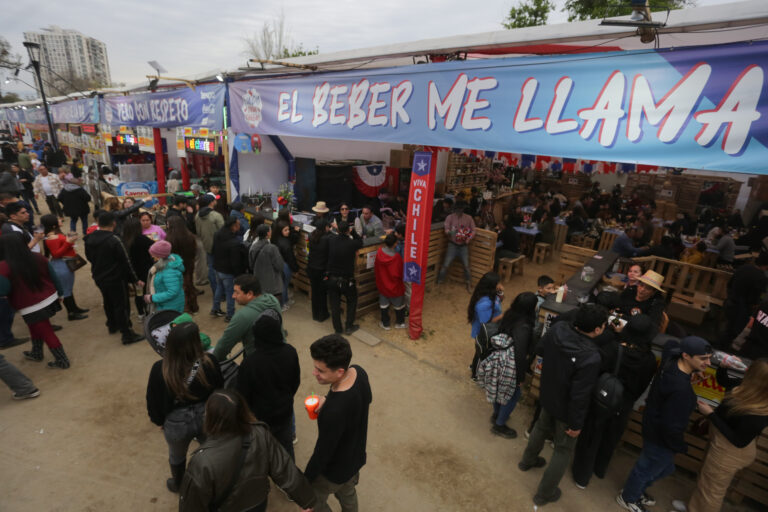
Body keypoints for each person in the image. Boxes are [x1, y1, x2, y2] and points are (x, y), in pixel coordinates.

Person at [518, 304, 607, 507]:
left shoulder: (558, 329)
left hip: (547, 393)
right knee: (562, 450)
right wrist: (576, 424)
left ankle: (527, 461)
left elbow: (540, 348)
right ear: (597, 329)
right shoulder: (591, 356)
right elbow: (580, 395)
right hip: (566, 410)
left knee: (540, 427)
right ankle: (544, 493)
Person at [616, 336, 712, 512]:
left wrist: (692, 370)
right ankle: (628, 497)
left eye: (708, 357)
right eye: (703, 358)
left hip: (652, 425)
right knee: (648, 469)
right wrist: (679, 446)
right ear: (686, 356)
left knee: (660, 467)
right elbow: (671, 425)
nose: (708, 362)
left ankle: (635, 491)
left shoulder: (670, 359)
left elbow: (670, 344)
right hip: (661, 438)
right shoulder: (681, 390)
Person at [179, 389, 316, 512]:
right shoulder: (260, 433)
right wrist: (307, 500)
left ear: (211, 418)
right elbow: (285, 470)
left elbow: (192, 503)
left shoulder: (202, 461)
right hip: (258, 502)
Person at [571, 314, 658, 489]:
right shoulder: (649, 360)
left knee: (591, 436)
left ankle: (582, 475)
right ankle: (599, 469)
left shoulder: (612, 348)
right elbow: (642, 386)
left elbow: (596, 371)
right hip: (624, 404)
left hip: (602, 400)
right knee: (610, 438)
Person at [676, 359, 768, 512]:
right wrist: (723, 368)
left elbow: (738, 441)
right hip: (721, 442)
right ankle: (692, 508)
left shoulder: (760, 413)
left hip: (731, 451)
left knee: (712, 492)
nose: (746, 373)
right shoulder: (745, 386)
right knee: (706, 480)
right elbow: (725, 381)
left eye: (750, 372)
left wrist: (711, 415)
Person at [145, 322, 223, 493]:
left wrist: (158, 420)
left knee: (177, 455)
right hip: (206, 416)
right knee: (210, 450)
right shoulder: (209, 362)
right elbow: (219, 390)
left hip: (176, 423)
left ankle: (178, 484)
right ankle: (213, 480)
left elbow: (153, 399)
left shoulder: (160, 369)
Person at [305, 334, 372, 512]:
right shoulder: (359, 372)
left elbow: (322, 452)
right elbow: (366, 400)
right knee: (348, 493)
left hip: (332, 473)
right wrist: (328, 400)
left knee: (315, 502)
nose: (314, 373)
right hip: (354, 459)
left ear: (339, 371)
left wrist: (306, 480)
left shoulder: (333, 412)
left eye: (320, 370)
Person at [0, 232, 70, 369]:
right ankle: (36, 352)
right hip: (49, 297)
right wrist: (60, 293)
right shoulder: (37, 257)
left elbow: (3, 290)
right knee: (35, 326)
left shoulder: (4, 266)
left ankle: (62, 360)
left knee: (46, 331)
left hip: (30, 305)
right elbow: (53, 276)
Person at [237, 309, 300, 458]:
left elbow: (243, 396)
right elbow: (295, 381)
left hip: (260, 419)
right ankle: (290, 478)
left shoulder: (249, 363)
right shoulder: (290, 351)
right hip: (285, 412)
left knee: (261, 453)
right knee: (286, 451)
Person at [479, 292, 537, 439]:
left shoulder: (510, 314)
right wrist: (520, 376)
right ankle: (499, 425)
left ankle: (497, 414)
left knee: (499, 388)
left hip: (498, 357)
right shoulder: (524, 325)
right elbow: (520, 352)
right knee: (513, 394)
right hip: (509, 363)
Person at [84, 211, 144, 344]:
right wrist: (135, 279)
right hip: (116, 278)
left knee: (108, 301)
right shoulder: (115, 239)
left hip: (99, 276)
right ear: (114, 223)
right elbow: (126, 261)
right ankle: (127, 334)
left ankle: (112, 325)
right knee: (121, 305)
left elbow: (89, 257)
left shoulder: (89, 238)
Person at [212, 274, 282, 360]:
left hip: (257, 364)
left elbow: (223, 347)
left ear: (249, 294)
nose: (233, 296)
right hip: (280, 356)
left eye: (237, 292)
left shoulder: (242, 316)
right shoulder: (273, 300)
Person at [40, 214, 88, 321]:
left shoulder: (54, 234)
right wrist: (68, 242)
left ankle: (75, 309)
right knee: (66, 290)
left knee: (68, 289)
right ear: (53, 225)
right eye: (58, 220)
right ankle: (71, 313)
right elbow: (56, 254)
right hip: (62, 265)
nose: (60, 220)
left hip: (64, 264)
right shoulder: (52, 237)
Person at [722, 252, 768, 344]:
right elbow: (754, 299)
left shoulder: (743, 267)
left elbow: (729, 284)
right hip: (741, 310)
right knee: (732, 334)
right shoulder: (761, 278)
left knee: (726, 329)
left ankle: (718, 346)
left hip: (730, 302)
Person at [326, 221, 363, 335]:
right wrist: (354, 233)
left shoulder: (331, 241)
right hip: (347, 279)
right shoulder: (351, 243)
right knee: (352, 301)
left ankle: (337, 329)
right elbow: (360, 242)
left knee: (335, 304)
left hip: (332, 278)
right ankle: (348, 326)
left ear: (337, 231)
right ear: (348, 231)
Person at [468, 272, 504, 380]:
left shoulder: (491, 295)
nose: (500, 284)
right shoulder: (483, 304)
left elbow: (499, 301)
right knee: (481, 352)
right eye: (498, 283)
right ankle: (475, 374)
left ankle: (475, 365)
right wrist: (503, 316)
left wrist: (501, 292)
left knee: (480, 350)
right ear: (492, 285)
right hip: (483, 331)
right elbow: (486, 321)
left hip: (489, 330)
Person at [211, 216, 247, 321]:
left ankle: (215, 308)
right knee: (231, 293)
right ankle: (230, 315)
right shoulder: (234, 243)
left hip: (217, 268)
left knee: (219, 288)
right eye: (238, 225)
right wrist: (238, 274)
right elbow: (235, 262)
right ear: (233, 226)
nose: (239, 227)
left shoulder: (217, 234)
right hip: (228, 272)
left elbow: (213, 250)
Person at [437, 202, 476, 292]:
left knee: (466, 266)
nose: (459, 210)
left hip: (464, 245)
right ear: (455, 209)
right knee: (445, 265)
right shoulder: (449, 217)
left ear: (463, 209)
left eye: (461, 208)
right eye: (458, 209)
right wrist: (450, 232)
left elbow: (474, 230)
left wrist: (469, 239)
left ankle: (468, 283)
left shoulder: (469, 218)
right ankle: (439, 282)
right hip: (452, 244)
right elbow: (446, 229)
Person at [122, 217, 155, 320]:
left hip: (133, 273)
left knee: (138, 293)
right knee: (147, 292)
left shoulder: (123, 240)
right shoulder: (141, 239)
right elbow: (154, 246)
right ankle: (148, 312)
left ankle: (140, 313)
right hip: (145, 270)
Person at [166, 216, 199, 314]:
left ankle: (185, 308)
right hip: (189, 263)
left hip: (175, 266)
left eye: (168, 224)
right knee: (189, 285)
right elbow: (194, 251)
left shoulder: (169, 239)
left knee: (180, 288)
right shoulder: (190, 236)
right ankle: (193, 306)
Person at [195, 195, 224, 299]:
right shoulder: (216, 215)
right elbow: (223, 231)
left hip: (206, 245)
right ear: (211, 202)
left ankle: (216, 293)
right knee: (221, 271)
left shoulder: (197, 215)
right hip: (219, 247)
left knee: (211, 269)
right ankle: (222, 294)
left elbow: (198, 232)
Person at [374, 233, 406, 330]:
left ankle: (386, 324)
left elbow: (376, 268)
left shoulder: (379, 253)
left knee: (384, 305)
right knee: (399, 306)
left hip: (383, 285)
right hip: (395, 286)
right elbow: (401, 273)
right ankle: (399, 323)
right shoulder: (397, 258)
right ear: (395, 244)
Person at [144, 240, 185, 313]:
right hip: (166, 304)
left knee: (171, 324)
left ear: (160, 256)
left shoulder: (169, 271)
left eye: (153, 254)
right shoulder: (162, 266)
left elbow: (172, 292)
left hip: (171, 307)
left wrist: (152, 298)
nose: (152, 256)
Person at [248, 224, 285, 303]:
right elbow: (280, 266)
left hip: (258, 283)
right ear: (268, 233)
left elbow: (251, 265)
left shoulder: (253, 247)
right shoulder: (272, 248)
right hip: (273, 284)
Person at [308, 218, 331, 322]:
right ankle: (322, 315)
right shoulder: (327, 239)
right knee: (322, 293)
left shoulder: (311, 235)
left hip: (311, 268)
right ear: (324, 227)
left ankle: (315, 314)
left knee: (315, 291)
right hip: (321, 269)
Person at [272, 220, 299, 312]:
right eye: (285, 230)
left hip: (278, 264)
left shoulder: (275, 239)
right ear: (280, 231)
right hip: (285, 266)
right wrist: (296, 269)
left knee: (282, 284)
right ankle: (282, 304)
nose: (288, 232)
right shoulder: (286, 244)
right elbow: (291, 258)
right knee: (284, 285)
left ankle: (285, 300)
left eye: (288, 230)